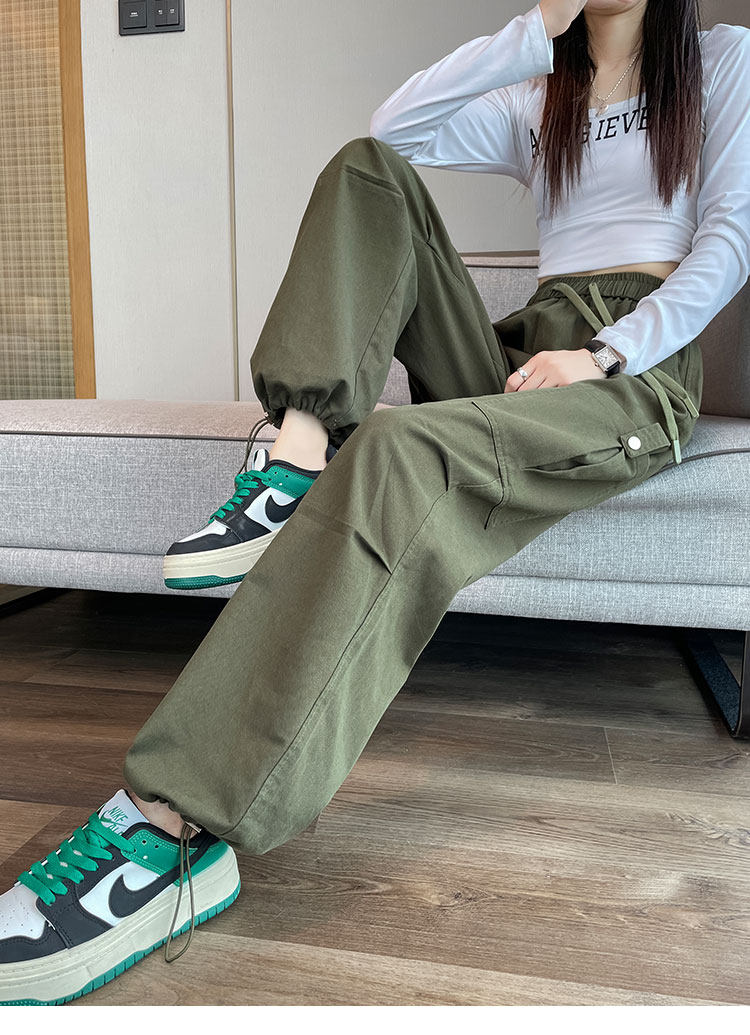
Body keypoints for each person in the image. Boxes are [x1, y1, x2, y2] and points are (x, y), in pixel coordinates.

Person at [1, 0, 748, 1006]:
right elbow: (398, 126)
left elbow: (731, 238)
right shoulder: (545, 91)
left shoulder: (720, 61)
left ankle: (173, 830)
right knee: (367, 168)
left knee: (396, 447)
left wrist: (607, 353)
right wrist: (537, 30)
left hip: (627, 373)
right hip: (523, 353)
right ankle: (295, 458)